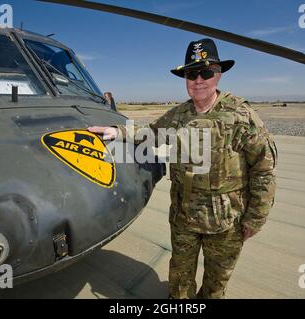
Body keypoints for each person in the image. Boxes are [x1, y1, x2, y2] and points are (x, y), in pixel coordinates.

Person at [88, 38, 277, 299]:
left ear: (218, 75)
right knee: (179, 280)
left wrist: (256, 217)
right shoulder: (179, 115)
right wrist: (118, 131)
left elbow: (264, 170)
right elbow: (152, 134)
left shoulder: (241, 116)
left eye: (206, 72)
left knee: (216, 284)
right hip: (184, 217)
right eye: (191, 74)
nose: (198, 80)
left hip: (226, 222)